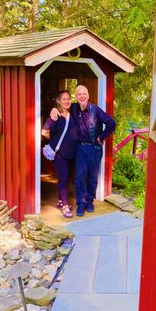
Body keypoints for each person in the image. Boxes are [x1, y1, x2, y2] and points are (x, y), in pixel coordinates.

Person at [51, 85, 115, 216]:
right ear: (76, 96)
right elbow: (63, 106)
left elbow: (111, 123)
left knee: (92, 177)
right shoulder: (74, 108)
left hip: (94, 148)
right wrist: (54, 109)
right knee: (79, 177)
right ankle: (81, 203)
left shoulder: (95, 110)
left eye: (84, 93)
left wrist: (101, 137)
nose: (82, 96)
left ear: (88, 95)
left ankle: (89, 202)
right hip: (80, 148)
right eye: (79, 94)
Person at [42, 90, 77, 218]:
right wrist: (54, 140)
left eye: (68, 99)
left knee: (66, 178)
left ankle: (60, 200)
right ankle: (65, 206)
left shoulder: (73, 114)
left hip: (71, 154)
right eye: (64, 99)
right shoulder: (55, 115)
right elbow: (44, 132)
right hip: (60, 154)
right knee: (63, 178)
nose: (67, 101)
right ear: (59, 101)